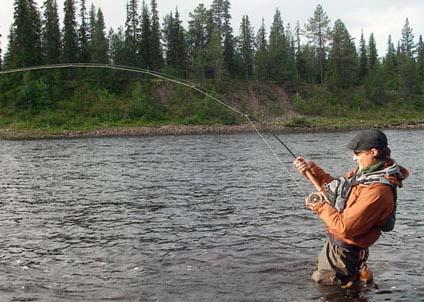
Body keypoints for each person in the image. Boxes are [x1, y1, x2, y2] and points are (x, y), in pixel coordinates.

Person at [293, 129, 409, 287]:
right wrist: (312, 170)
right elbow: (337, 190)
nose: (354, 158)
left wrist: (318, 205)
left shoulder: (378, 191)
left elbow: (344, 228)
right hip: (339, 251)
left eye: (357, 153)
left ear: (373, 152)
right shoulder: (363, 173)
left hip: (343, 255)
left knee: (330, 293)